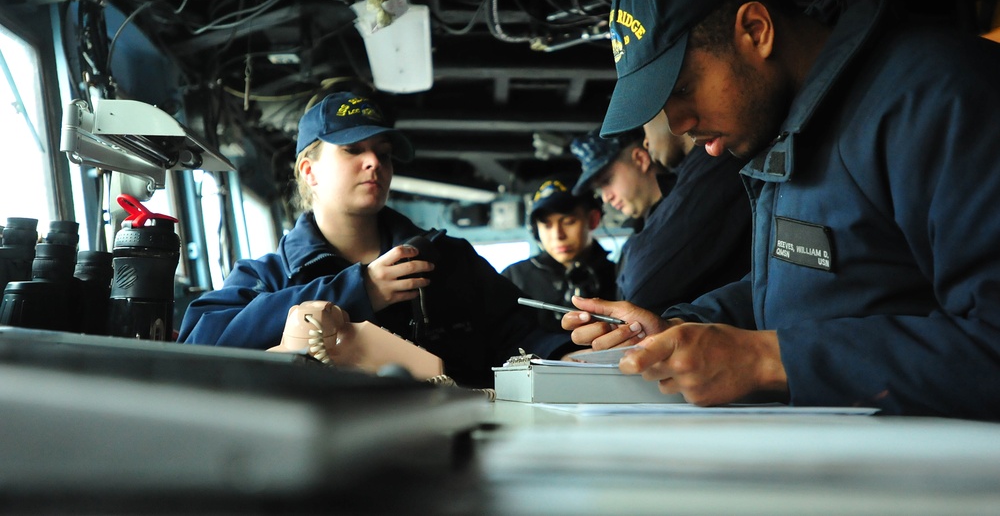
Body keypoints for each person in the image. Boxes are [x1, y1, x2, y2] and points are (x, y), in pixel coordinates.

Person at [563, 0, 1000, 420]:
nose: (679, 125)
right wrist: (679, 331)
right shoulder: (790, 127)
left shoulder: (942, 98)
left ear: (755, 31)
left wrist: (768, 359)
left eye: (683, 88)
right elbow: (806, 290)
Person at [177, 91, 574, 388]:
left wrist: (571, 352)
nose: (375, 163)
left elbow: (517, 334)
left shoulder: (448, 260)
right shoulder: (268, 277)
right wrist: (358, 289)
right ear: (309, 171)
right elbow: (199, 346)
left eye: (383, 153)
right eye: (353, 150)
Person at [570, 125, 750, 313]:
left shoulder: (697, 194)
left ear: (640, 158)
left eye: (607, 181)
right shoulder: (638, 229)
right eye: (599, 190)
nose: (605, 197)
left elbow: (641, 295)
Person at [501, 178, 617, 332]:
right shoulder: (514, 277)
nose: (558, 235)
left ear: (593, 220)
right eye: (547, 225)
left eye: (568, 222)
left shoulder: (619, 274)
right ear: (535, 230)